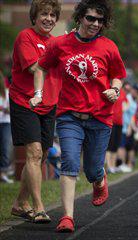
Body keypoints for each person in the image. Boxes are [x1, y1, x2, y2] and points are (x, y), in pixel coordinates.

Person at [30, 0, 126, 232]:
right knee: (70, 163)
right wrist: (39, 93)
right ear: (80, 17)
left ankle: (99, 180)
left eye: (100, 20)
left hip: (100, 117)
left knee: (92, 169)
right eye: (90, 18)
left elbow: (118, 75)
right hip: (69, 116)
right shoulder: (61, 44)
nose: (95, 24)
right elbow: (41, 67)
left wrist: (115, 90)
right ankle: (67, 217)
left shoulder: (109, 47)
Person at [9, 0, 62, 223]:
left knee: (38, 158)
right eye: (44, 14)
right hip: (25, 101)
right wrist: (58, 51)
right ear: (34, 16)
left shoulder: (55, 43)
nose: (48, 18)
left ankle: (20, 203)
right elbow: (34, 68)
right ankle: (39, 208)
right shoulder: (26, 37)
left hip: (49, 104)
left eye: (52, 15)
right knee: (34, 154)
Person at [0, 70, 12, 184]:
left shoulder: (7, 93)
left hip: (5, 122)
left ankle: (3, 173)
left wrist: (4, 109)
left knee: (5, 148)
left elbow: (11, 110)